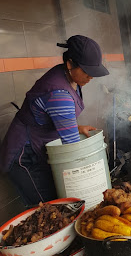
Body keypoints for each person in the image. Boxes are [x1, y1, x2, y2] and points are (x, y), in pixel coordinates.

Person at [0, 35, 109, 206]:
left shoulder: (71, 77)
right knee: (48, 209)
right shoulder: (59, 94)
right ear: (70, 64)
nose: (91, 77)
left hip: (41, 146)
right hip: (25, 156)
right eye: (87, 71)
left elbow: (51, 117)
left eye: (93, 72)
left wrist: (76, 127)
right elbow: (73, 151)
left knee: (59, 200)